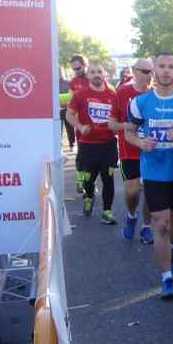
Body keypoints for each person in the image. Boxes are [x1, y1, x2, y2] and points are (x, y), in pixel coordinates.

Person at [124, 52, 173, 299]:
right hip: (153, 171)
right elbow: (129, 133)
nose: (166, 71)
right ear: (154, 70)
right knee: (161, 223)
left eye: (171, 67)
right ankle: (167, 278)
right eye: (162, 66)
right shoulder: (140, 102)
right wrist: (139, 142)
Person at [109, 58, 155, 244]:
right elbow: (111, 125)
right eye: (145, 71)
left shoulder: (158, 93)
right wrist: (127, 125)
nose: (149, 75)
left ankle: (146, 227)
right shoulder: (122, 92)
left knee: (152, 192)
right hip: (130, 150)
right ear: (135, 72)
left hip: (153, 150)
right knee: (132, 191)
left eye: (151, 71)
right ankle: (131, 215)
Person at [66, 64, 119, 224]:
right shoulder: (80, 94)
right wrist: (81, 127)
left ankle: (107, 211)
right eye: (93, 72)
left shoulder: (112, 94)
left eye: (99, 71)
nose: (96, 74)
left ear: (105, 74)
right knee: (87, 179)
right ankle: (89, 196)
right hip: (87, 145)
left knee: (108, 178)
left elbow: (118, 117)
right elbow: (69, 115)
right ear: (88, 76)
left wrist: (116, 127)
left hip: (108, 145)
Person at [68, 55, 90, 193]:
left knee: (94, 158)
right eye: (74, 69)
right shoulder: (73, 82)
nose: (76, 71)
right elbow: (70, 102)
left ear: (85, 64)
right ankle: (80, 181)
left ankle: (90, 183)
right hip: (80, 126)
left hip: (98, 126)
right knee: (81, 154)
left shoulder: (96, 77)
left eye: (79, 68)